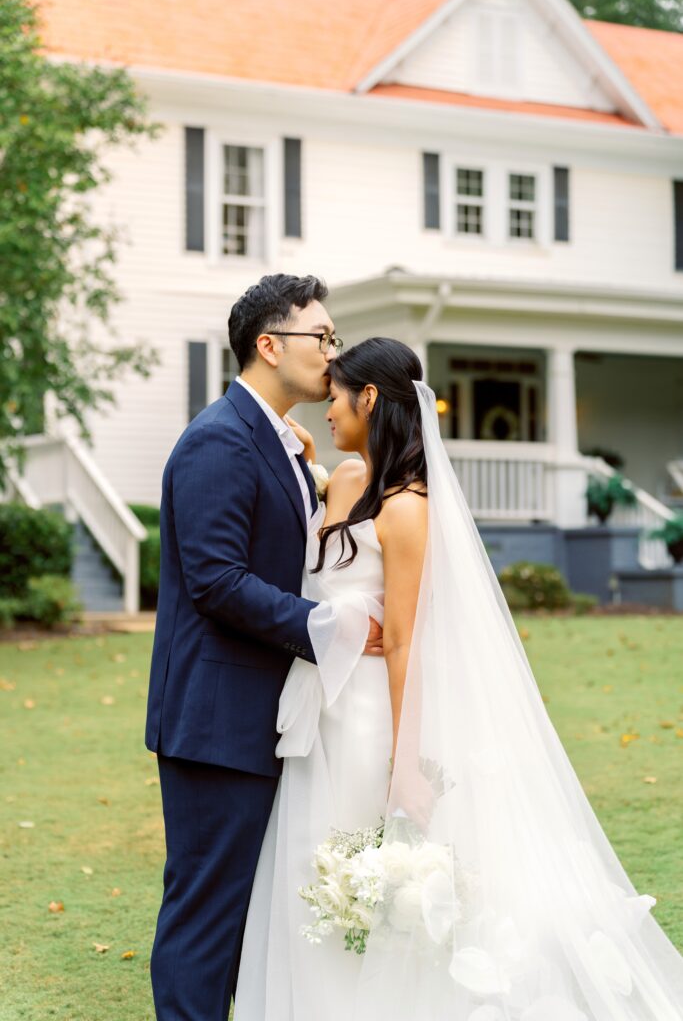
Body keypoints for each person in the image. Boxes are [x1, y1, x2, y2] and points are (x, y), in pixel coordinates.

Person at [234, 336, 683, 1021]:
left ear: (370, 398)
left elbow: (408, 641)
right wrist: (305, 462)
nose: (326, 412)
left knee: (366, 878)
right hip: (315, 711)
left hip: (367, 717)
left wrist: (405, 763)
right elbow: (331, 548)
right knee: (308, 863)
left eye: (335, 398)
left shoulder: (410, 508)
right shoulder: (348, 479)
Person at [145, 274, 382, 1021]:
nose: (331, 355)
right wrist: (333, 628)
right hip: (217, 722)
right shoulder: (217, 440)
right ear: (268, 344)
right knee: (207, 916)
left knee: (250, 920)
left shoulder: (275, 440)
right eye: (322, 338)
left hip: (264, 719)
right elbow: (215, 580)